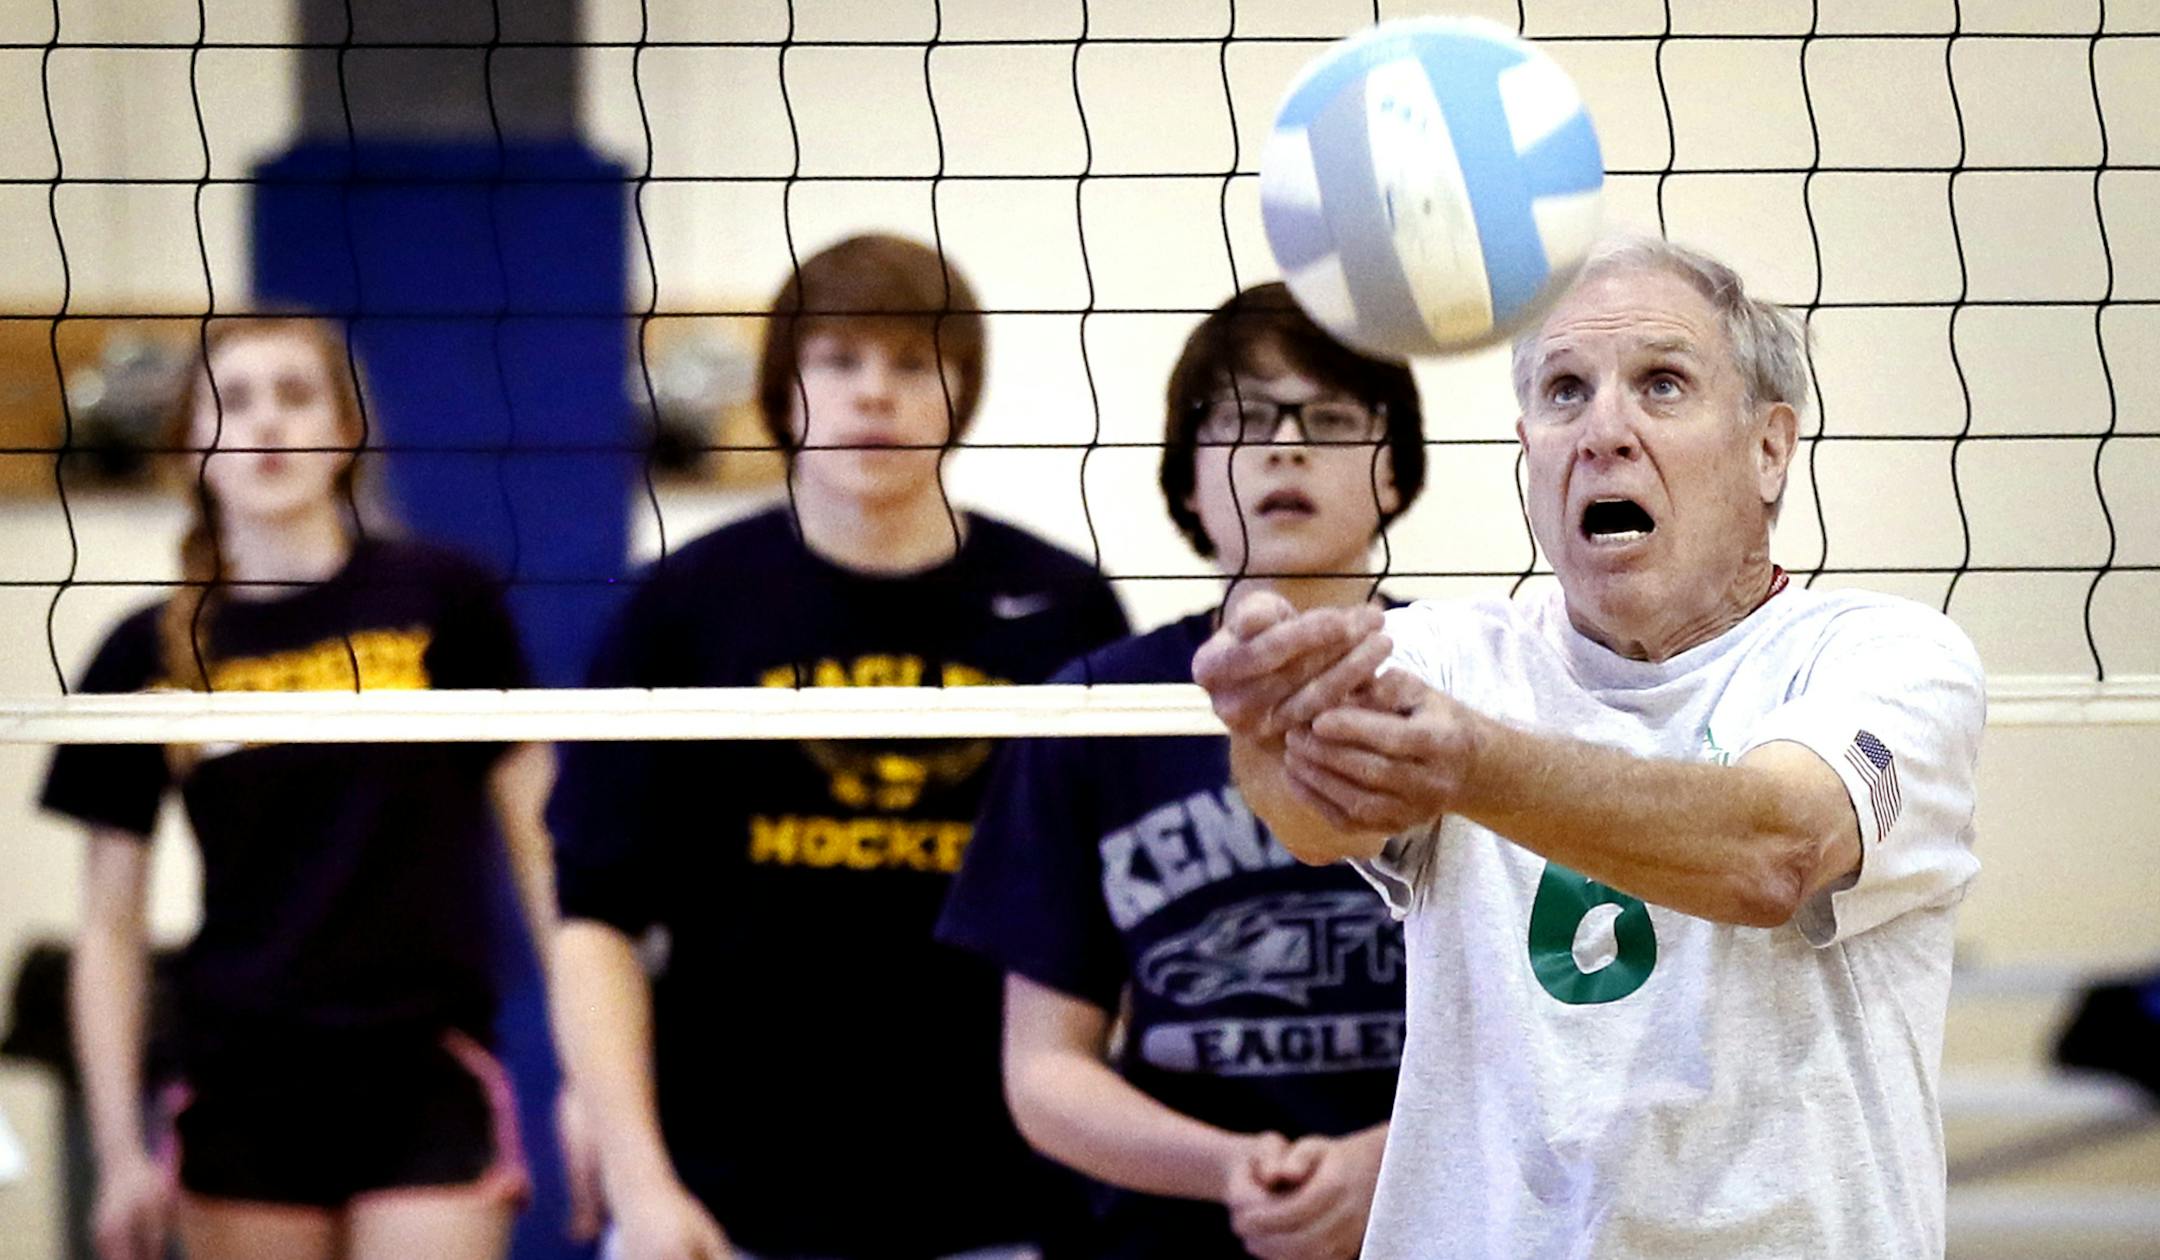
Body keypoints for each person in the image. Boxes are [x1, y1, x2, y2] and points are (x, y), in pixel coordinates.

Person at [1193, 238, 1987, 1258]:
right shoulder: (1448, 653)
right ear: (1531, 449)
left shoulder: (1886, 655)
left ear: (1769, 449)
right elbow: (1311, 817)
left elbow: (1776, 851)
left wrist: (1477, 766)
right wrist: (1264, 728)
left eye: (1662, 384)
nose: (1604, 430)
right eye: (1567, 393)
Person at [548, 232, 1130, 1260]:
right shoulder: (684, 607)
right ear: (783, 387)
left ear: (963, 392)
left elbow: (1116, 913)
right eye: (840, 360)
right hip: (726, 1199)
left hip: (996, 1201)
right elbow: (595, 918)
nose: (875, 395)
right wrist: (640, 1182)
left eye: (913, 364)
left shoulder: (1063, 609)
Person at [41, 315, 557, 1260]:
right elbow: (108, 924)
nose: (268, 424)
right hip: (243, 1077)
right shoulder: (147, 650)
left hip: (424, 1063)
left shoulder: (444, 598)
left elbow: (542, 842)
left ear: (348, 431)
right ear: (191, 441)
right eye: (236, 402)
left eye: (296, 395)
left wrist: (591, 1086)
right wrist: (118, 1152)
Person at [936, 283, 1421, 1260]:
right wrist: (1232, 1169)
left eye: (1330, 420)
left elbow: (1568, 1028)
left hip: (1445, 1219)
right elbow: (1043, 1072)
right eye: (1242, 419)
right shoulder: (1091, 710)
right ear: (1187, 482)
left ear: (1394, 475)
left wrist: (1388, 1163)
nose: (1286, 446)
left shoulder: (1486, 682)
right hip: (1168, 1233)